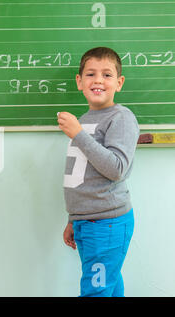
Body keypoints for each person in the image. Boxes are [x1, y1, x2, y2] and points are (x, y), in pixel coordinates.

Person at [58, 47, 139, 297]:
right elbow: (82, 175)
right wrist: (74, 218)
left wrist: (78, 134)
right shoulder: (85, 118)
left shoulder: (121, 117)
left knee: (96, 291)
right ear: (80, 82)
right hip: (89, 222)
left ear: (119, 82)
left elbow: (116, 168)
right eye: (91, 74)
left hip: (107, 224)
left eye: (107, 75)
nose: (98, 80)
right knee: (108, 288)